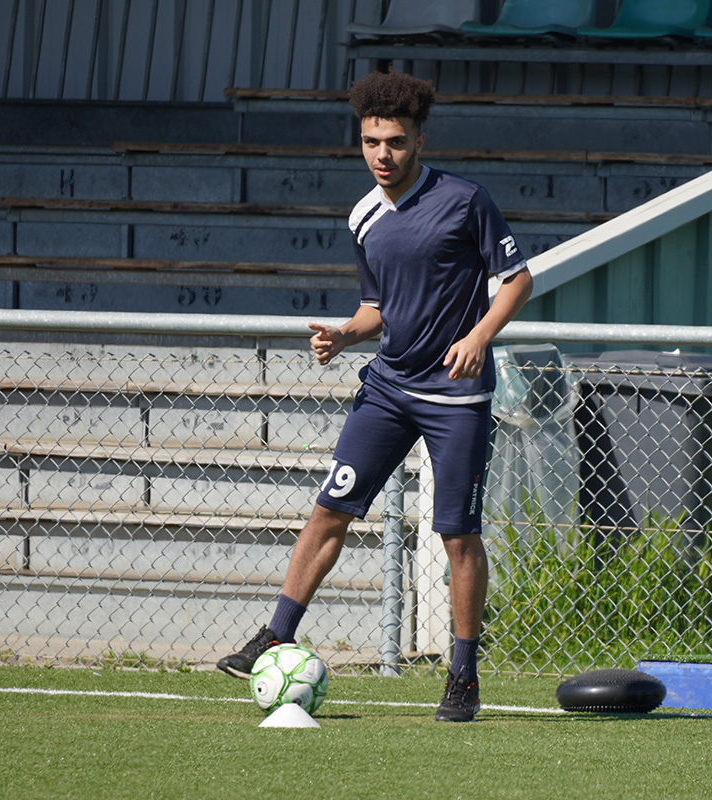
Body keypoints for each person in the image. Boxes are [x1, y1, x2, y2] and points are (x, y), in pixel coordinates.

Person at [216, 68, 533, 723]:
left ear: (419, 139)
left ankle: (464, 674)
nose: (381, 155)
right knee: (329, 509)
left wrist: (478, 336)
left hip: (456, 397)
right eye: (369, 142)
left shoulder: (465, 201)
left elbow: (517, 280)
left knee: (456, 536)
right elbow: (375, 308)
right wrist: (343, 334)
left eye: (393, 141)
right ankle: (276, 634)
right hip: (388, 390)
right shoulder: (362, 215)